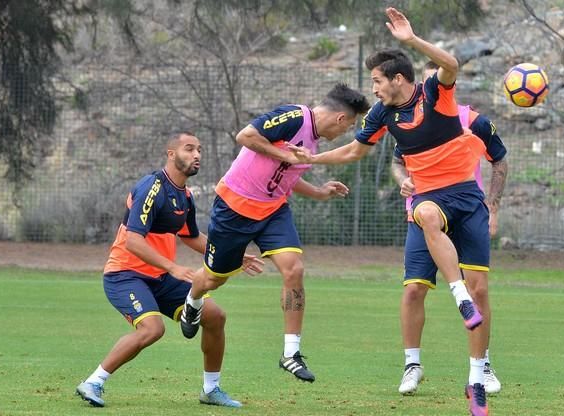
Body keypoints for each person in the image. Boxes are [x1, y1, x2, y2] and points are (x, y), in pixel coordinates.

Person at [290, 8, 494, 415]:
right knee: (428, 218)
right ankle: (456, 302)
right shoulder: (382, 114)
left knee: (482, 290)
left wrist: (412, 41)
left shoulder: (435, 91)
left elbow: (451, 63)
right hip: (428, 196)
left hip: (468, 197)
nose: (374, 90)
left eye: (377, 82)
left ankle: (476, 379)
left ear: (398, 79)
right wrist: (310, 159)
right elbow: (354, 150)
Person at [179, 83, 371, 383]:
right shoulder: (294, 117)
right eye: (350, 127)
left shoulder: (314, 143)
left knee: (294, 269)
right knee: (214, 279)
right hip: (235, 208)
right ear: (340, 119)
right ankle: (192, 301)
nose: (346, 133)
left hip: (272, 211)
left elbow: (286, 178)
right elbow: (246, 136)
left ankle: (290, 353)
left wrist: (319, 192)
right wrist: (283, 155)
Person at [75, 132, 264, 409]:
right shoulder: (152, 187)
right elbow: (133, 240)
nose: (197, 154)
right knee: (152, 329)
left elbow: (190, 236)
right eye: (189, 149)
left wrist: (233, 254)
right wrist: (172, 267)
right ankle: (93, 382)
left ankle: (211, 390)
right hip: (125, 274)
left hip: (160, 277)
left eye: (200, 150)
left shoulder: (184, 196)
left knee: (215, 316)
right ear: (171, 154)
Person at [391, 85, 508, 396]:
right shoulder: (409, 121)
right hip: (425, 212)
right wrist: (403, 181)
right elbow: (397, 161)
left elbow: (499, 160)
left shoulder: (474, 121)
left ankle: (481, 365)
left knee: (479, 290)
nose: (427, 92)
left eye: (436, 83)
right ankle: (412, 365)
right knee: (414, 289)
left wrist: (492, 206)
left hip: (468, 210)